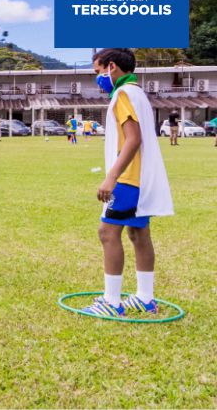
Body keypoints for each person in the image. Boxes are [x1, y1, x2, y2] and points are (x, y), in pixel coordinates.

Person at [81, 48, 173, 317]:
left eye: (98, 72)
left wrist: (112, 176)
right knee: (138, 233)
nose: (98, 78)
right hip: (140, 177)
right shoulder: (137, 92)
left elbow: (133, 139)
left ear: (111, 67)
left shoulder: (122, 94)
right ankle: (145, 298)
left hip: (128, 178)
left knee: (107, 233)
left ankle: (111, 302)